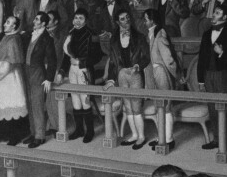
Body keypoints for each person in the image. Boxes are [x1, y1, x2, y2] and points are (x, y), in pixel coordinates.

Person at [197, 2, 227, 151]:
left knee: (224, 110)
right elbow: (201, 59)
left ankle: (225, 143)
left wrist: (221, 53)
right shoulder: (206, 34)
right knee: (212, 109)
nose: (214, 15)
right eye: (214, 12)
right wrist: (201, 80)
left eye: (217, 13)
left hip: (223, 75)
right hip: (208, 75)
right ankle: (216, 140)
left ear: (224, 17)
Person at [104, 9, 150, 149]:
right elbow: (112, 61)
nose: (127, 20)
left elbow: (146, 57)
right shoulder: (114, 39)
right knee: (128, 107)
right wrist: (111, 80)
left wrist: (138, 66)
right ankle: (134, 135)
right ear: (118, 22)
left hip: (135, 74)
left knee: (136, 106)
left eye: (128, 17)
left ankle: (141, 137)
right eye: (123, 19)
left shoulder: (140, 37)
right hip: (121, 74)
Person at [0, 15, 30, 146]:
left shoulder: (13, 40)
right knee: (0, 105)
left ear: (14, 27)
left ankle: (14, 137)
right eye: (6, 22)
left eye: (8, 23)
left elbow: (7, 66)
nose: (5, 24)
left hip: (10, 79)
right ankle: (1, 135)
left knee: (10, 104)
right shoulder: (7, 38)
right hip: (0, 79)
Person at [55, 8, 95, 144]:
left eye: (81, 18)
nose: (77, 20)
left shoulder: (91, 35)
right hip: (72, 70)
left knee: (85, 100)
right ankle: (79, 129)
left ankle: (90, 131)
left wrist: (80, 61)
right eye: (76, 18)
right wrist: (61, 72)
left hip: (84, 71)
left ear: (86, 20)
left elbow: (96, 57)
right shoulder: (70, 34)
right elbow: (67, 57)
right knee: (75, 100)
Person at [144, 7, 182, 149]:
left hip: (161, 73)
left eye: (146, 19)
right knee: (158, 106)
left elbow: (169, 59)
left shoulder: (160, 35)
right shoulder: (151, 34)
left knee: (165, 107)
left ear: (152, 20)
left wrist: (176, 75)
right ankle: (161, 137)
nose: (144, 22)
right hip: (154, 73)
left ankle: (169, 139)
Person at [23, 12, 57, 149]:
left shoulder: (47, 39)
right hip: (27, 71)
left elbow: (52, 60)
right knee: (30, 103)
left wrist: (49, 79)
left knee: (37, 105)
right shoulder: (31, 34)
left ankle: (40, 136)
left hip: (38, 73)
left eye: (37, 19)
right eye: (35, 18)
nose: (34, 20)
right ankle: (33, 132)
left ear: (43, 23)